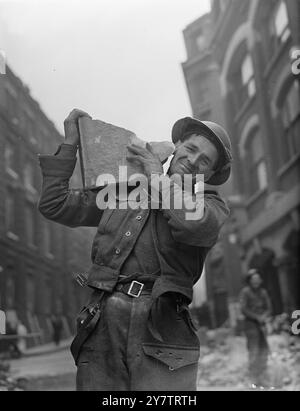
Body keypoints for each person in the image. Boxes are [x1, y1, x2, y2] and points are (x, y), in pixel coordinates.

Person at [38, 109, 232, 391]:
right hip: (103, 324)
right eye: (190, 149)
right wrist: (70, 145)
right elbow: (55, 204)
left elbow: (192, 224)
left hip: (163, 331)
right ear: (176, 146)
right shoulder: (126, 189)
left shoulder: (210, 205)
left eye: (204, 161)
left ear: (211, 174)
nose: (192, 161)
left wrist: (156, 175)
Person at [240, 269, 272, 388]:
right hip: (250, 326)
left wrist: (264, 316)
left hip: (262, 325)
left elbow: (269, 308)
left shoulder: (263, 292)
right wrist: (256, 317)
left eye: (258, 279)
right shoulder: (245, 292)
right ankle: (253, 380)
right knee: (254, 352)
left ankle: (262, 378)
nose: (256, 281)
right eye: (253, 279)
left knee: (263, 351)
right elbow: (243, 308)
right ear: (249, 281)